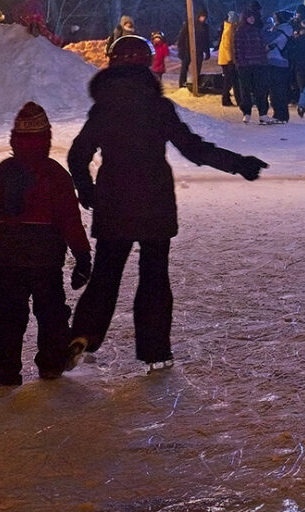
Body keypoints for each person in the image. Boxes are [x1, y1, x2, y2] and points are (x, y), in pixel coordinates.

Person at [67, 35, 268, 371]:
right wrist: (239, 164)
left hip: (114, 200)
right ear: (146, 65)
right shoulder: (157, 107)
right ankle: (155, 350)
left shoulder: (104, 108)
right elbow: (193, 148)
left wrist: (87, 190)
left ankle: (83, 334)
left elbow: (77, 154)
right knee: (154, 276)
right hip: (154, 201)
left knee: (106, 273)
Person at [0, 102, 93, 387]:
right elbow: (69, 220)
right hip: (45, 257)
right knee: (51, 310)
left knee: (9, 313)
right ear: (47, 138)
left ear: (14, 139)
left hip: (9, 256)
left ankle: (4, 373)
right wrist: (82, 257)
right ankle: (52, 364)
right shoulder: (54, 174)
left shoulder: (2, 174)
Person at [231, 2, 271, 124]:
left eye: (253, 17)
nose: (252, 19)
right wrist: (240, 63)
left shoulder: (257, 30)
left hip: (259, 64)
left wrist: (264, 59)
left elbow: (262, 46)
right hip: (246, 65)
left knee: (261, 89)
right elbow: (237, 49)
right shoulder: (240, 32)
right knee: (246, 90)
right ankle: (246, 112)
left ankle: (263, 113)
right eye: (249, 17)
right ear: (245, 18)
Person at [216, 10, 240, 108]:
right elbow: (228, 46)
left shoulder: (229, 29)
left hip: (226, 59)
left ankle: (226, 98)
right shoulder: (229, 30)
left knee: (229, 79)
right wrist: (230, 59)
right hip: (227, 60)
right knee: (229, 79)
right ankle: (225, 98)